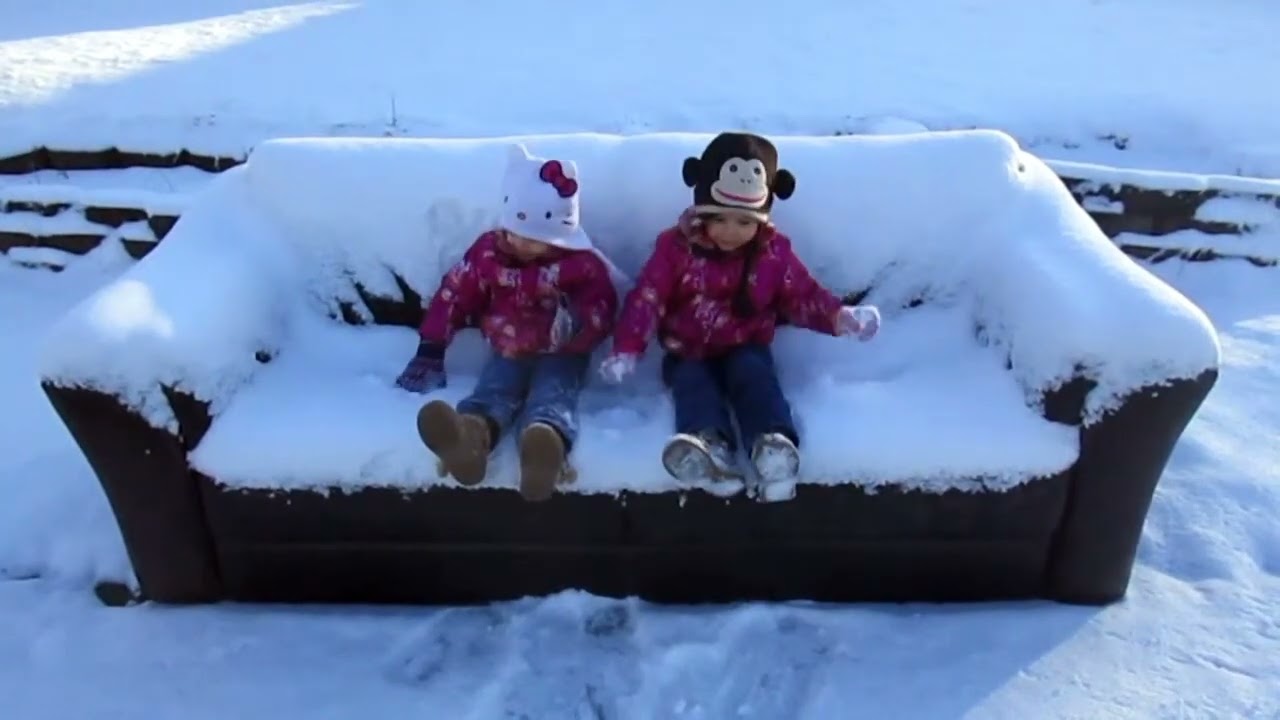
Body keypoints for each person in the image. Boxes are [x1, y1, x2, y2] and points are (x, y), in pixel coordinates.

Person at [598, 131, 880, 487]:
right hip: (687, 348)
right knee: (692, 383)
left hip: (745, 343)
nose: (731, 231)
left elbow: (801, 294)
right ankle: (708, 444)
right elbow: (648, 297)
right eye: (720, 219)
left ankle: (772, 441)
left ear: (760, 220)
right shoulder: (677, 249)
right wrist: (627, 347)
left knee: (755, 377)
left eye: (744, 222)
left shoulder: (772, 253)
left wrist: (839, 317)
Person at [395, 143, 621, 501]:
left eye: (535, 239)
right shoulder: (488, 254)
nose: (522, 243)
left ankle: (543, 445)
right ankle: (470, 436)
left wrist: (580, 324)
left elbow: (603, 306)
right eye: (516, 231)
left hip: (564, 351)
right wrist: (432, 345)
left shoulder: (581, 265)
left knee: (553, 393)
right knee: (494, 390)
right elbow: (455, 293)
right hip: (508, 347)